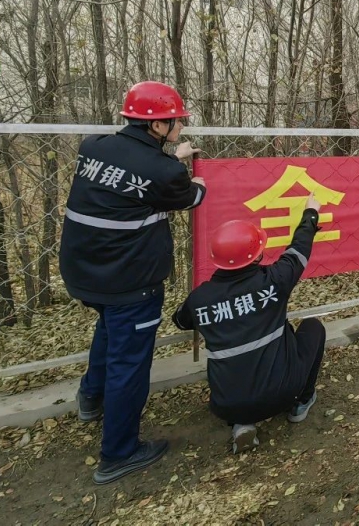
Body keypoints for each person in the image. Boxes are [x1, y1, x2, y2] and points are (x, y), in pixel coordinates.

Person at [60, 81, 207, 484]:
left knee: (109, 331)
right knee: (129, 362)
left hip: (83, 272)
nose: (181, 126)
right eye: (176, 120)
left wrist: (171, 160)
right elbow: (192, 195)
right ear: (157, 126)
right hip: (130, 280)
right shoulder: (163, 171)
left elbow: (133, 175)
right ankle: (119, 453)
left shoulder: (93, 147)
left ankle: (91, 398)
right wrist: (191, 174)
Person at [172, 194, 326, 454]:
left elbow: (180, 320)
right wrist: (310, 212)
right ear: (256, 256)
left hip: (226, 404)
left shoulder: (200, 299)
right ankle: (301, 401)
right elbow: (299, 250)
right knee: (313, 328)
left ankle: (241, 423)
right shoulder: (273, 281)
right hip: (283, 392)